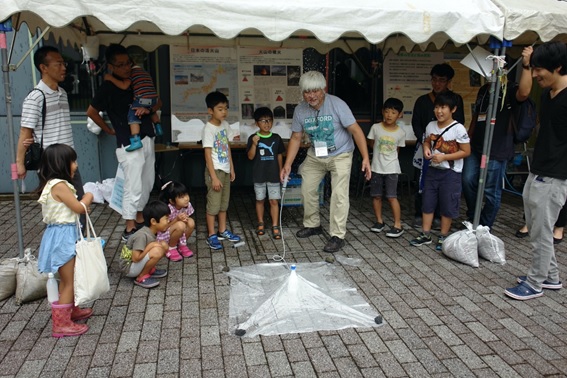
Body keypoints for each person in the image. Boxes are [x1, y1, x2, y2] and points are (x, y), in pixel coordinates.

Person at [280, 71, 372, 253]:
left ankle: (337, 235)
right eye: (307, 92)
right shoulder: (300, 110)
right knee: (307, 188)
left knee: (339, 194)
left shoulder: (338, 104)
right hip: (316, 154)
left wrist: (366, 158)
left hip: (341, 154)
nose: (311, 95)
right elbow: (296, 138)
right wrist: (287, 164)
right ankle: (313, 224)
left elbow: (356, 131)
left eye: (315, 91)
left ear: (323, 89)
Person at [505, 42, 567, 300]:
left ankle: (535, 283)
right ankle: (550, 277)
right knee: (534, 226)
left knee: (542, 232)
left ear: (559, 67)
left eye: (539, 69)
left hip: (556, 175)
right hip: (538, 170)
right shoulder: (548, 94)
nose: (536, 74)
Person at [87, 44, 160, 242]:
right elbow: (91, 112)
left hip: (146, 136)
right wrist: (108, 129)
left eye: (128, 63)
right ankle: (129, 228)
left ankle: (139, 218)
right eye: (120, 65)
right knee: (133, 185)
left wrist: (149, 110)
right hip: (128, 143)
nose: (126, 67)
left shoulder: (135, 79)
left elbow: (155, 100)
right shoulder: (108, 86)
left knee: (147, 182)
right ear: (111, 66)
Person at [16, 45, 86, 228]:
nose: (64, 68)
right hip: (51, 163)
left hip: (69, 159)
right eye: (58, 63)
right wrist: (20, 163)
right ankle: (65, 249)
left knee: (78, 207)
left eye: (64, 63)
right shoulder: (35, 97)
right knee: (59, 212)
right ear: (43, 68)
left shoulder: (62, 93)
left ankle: (80, 247)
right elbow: (25, 131)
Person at [463, 48, 533, 228]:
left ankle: (484, 226)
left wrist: (526, 66)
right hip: (476, 146)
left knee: (490, 190)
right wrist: (468, 138)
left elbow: (524, 94)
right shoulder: (484, 89)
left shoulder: (510, 89)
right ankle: (473, 218)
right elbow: (478, 114)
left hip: (497, 149)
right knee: (468, 180)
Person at [35, 144, 94, 338]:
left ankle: (71, 310)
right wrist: (89, 196)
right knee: (68, 281)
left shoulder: (53, 184)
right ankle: (61, 324)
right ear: (62, 164)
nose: (76, 165)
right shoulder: (59, 185)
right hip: (62, 237)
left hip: (61, 234)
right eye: (73, 161)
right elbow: (78, 207)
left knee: (70, 277)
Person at [410, 91, 470, 251]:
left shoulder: (458, 128)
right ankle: (425, 233)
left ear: (453, 109)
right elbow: (427, 141)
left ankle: (443, 236)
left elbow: (466, 151)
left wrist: (444, 158)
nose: (439, 111)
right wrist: (426, 149)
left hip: (451, 174)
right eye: (437, 107)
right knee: (427, 202)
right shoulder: (430, 126)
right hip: (432, 171)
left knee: (447, 204)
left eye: (443, 107)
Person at [412, 63, 465, 228]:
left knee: (445, 185)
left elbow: (460, 122)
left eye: (441, 80)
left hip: (446, 151)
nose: (437, 83)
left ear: (448, 81)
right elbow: (417, 124)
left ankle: (440, 217)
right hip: (425, 148)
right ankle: (421, 213)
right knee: (422, 181)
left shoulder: (456, 100)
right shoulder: (422, 100)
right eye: (434, 79)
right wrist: (425, 144)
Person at [202, 91, 241, 250]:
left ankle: (222, 230)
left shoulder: (224, 125)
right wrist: (213, 178)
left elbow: (227, 147)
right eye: (220, 109)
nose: (224, 112)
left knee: (224, 204)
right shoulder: (208, 129)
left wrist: (231, 167)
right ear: (210, 111)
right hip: (215, 171)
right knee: (213, 205)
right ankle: (211, 234)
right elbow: (207, 155)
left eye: (225, 108)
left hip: (224, 170)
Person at [367, 97, 406, 238]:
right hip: (376, 167)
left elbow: (398, 150)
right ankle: (379, 221)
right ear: (382, 112)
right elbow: (371, 144)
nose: (389, 115)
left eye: (394, 112)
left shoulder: (401, 132)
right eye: (387, 111)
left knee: (391, 196)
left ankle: (397, 224)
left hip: (392, 169)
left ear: (400, 115)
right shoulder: (375, 128)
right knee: (376, 196)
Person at [104, 63, 163, 152]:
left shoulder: (131, 73)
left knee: (133, 115)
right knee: (151, 109)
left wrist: (110, 78)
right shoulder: (146, 74)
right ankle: (158, 127)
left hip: (142, 99)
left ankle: (136, 139)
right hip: (153, 98)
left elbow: (124, 85)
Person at [246, 107, 285, 239]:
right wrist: (254, 144)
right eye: (263, 120)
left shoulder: (276, 138)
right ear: (257, 123)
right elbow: (250, 157)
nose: (266, 123)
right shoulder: (253, 138)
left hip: (273, 175)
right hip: (259, 175)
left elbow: (279, 155)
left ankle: (275, 225)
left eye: (269, 120)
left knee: (274, 201)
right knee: (260, 200)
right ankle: (261, 223)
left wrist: (281, 171)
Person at [122, 200, 169, 288]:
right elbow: (135, 258)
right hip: (129, 268)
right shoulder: (142, 236)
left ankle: (148, 270)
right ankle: (141, 276)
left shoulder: (151, 231)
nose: (168, 221)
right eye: (166, 219)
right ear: (154, 221)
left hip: (134, 264)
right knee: (157, 251)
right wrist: (150, 247)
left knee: (163, 245)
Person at [157, 181, 196, 261]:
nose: (186, 198)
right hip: (164, 235)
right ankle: (171, 248)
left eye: (186, 195)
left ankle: (182, 245)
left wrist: (184, 219)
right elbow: (163, 229)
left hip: (176, 232)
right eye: (181, 197)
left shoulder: (187, 205)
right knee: (180, 225)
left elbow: (187, 221)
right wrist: (177, 219)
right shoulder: (168, 209)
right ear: (172, 201)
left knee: (191, 222)